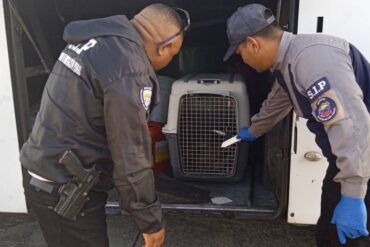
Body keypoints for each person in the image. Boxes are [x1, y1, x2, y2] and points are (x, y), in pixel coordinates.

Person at [20, 3, 190, 247]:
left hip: (46, 173)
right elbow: (131, 154)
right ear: (167, 47)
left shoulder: (92, 42)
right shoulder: (129, 66)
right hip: (64, 189)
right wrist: (150, 221)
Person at [223, 3, 370, 247]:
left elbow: (352, 127)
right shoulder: (289, 61)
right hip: (347, 160)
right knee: (327, 234)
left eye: (240, 54)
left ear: (253, 43)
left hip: (363, 157)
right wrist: (253, 130)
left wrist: (354, 194)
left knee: (352, 239)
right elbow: (277, 102)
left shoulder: (312, 59)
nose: (244, 61)